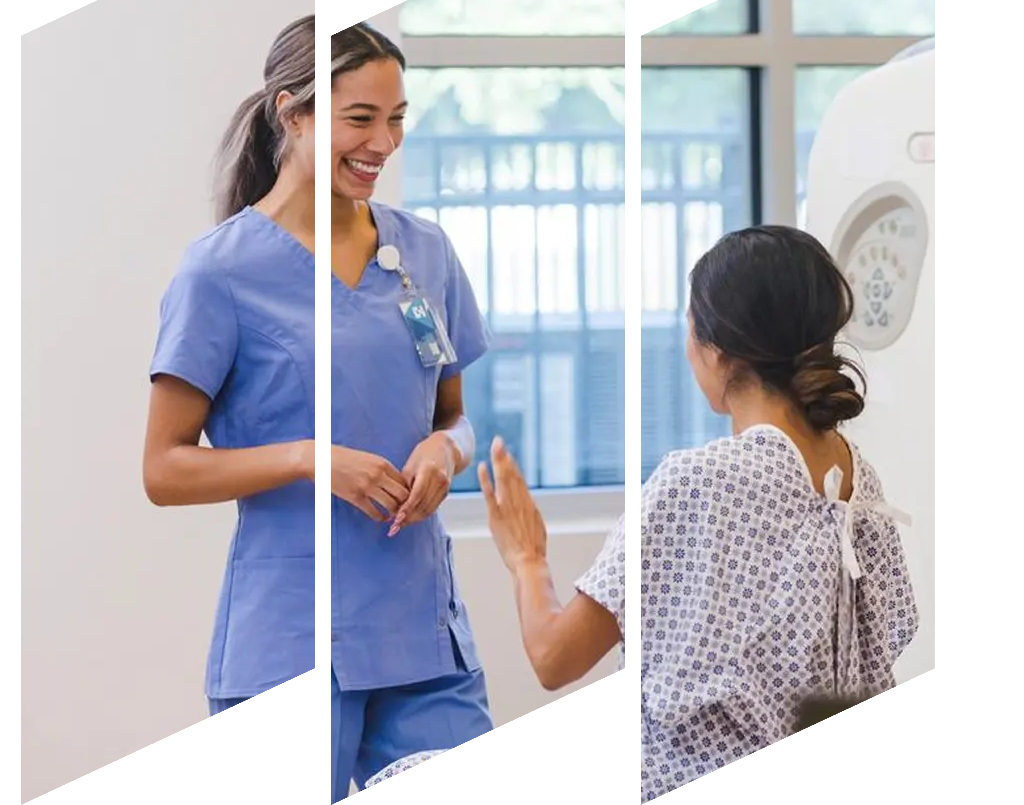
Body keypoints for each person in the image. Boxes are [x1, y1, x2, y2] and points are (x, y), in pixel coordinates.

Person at [364, 225, 920, 803]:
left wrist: (526, 559)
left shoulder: (694, 485)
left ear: (717, 350)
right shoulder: (858, 479)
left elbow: (555, 658)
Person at [142, 14, 496, 805]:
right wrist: (309, 458)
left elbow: (455, 418)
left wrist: (446, 451)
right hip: (290, 646)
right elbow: (163, 468)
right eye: (360, 118)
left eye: (397, 118)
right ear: (292, 114)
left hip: (421, 636)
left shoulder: (425, 252)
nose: (383, 142)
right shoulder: (219, 273)